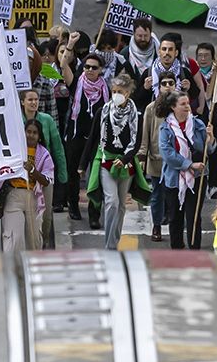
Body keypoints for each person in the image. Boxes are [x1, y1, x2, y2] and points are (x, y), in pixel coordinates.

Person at [87, 74, 148, 251]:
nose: (116, 95)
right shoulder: (103, 112)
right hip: (107, 160)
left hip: (126, 163)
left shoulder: (136, 115)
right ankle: (109, 245)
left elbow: (136, 143)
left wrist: (125, 159)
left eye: (120, 92)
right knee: (111, 202)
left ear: (128, 93)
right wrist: (83, 165)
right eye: (113, 91)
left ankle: (114, 239)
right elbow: (93, 138)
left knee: (121, 205)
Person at [60, 52, 109, 226]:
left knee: (96, 176)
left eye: (94, 67)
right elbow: (63, 65)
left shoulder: (106, 89)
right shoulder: (77, 83)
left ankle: (94, 215)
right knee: (73, 173)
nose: (89, 70)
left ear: (100, 70)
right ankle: (73, 205)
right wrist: (70, 45)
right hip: (77, 136)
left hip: (97, 139)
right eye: (87, 66)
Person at [159, 92, 207, 250]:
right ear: (173, 107)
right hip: (174, 179)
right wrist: (189, 165)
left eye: (188, 103)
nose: (187, 106)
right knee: (175, 217)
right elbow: (168, 154)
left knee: (194, 217)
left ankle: (195, 250)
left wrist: (211, 139)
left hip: (197, 178)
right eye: (183, 104)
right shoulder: (165, 128)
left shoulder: (198, 124)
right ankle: (177, 250)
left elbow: (207, 150)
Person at [20, 88, 65, 248]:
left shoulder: (47, 119)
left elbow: (57, 147)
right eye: (30, 99)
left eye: (36, 99)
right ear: (22, 102)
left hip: (45, 173)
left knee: (46, 214)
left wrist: (62, 173)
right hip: (22, 175)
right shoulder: (16, 119)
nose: (34, 102)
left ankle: (44, 242)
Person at [0, 119, 54, 250]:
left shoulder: (44, 154)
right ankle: (12, 268)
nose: (31, 135)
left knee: (34, 242)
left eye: (35, 133)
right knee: (14, 240)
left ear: (39, 136)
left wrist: (33, 171)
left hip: (34, 198)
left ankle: (31, 269)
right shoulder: (13, 151)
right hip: (13, 195)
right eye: (28, 132)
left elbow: (47, 181)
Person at [138, 71, 180, 239]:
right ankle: (156, 226)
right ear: (159, 86)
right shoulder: (151, 108)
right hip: (156, 159)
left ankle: (175, 226)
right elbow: (145, 134)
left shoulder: (181, 106)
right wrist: (142, 156)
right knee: (157, 194)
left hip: (177, 160)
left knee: (176, 194)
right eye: (164, 83)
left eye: (171, 83)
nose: (168, 86)